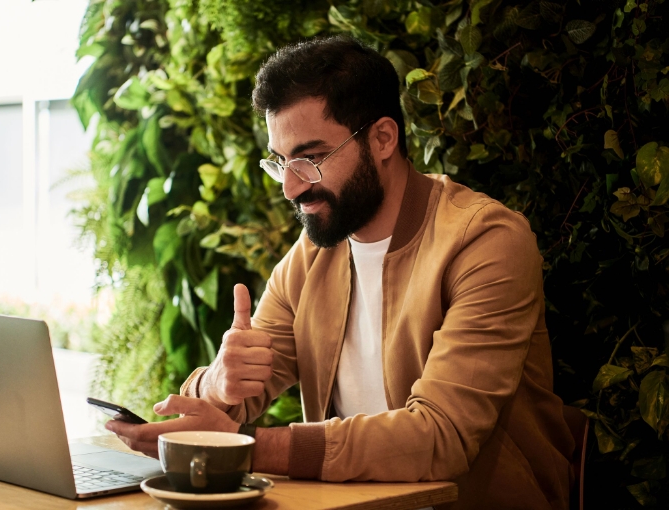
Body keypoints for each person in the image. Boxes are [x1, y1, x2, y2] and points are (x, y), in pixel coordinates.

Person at [106, 36, 575, 509]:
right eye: (281, 162)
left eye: (311, 159)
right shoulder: (315, 253)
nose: (291, 187)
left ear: (383, 138)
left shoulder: (485, 241)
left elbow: (441, 436)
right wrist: (219, 383)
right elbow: (229, 402)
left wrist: (249, 449)